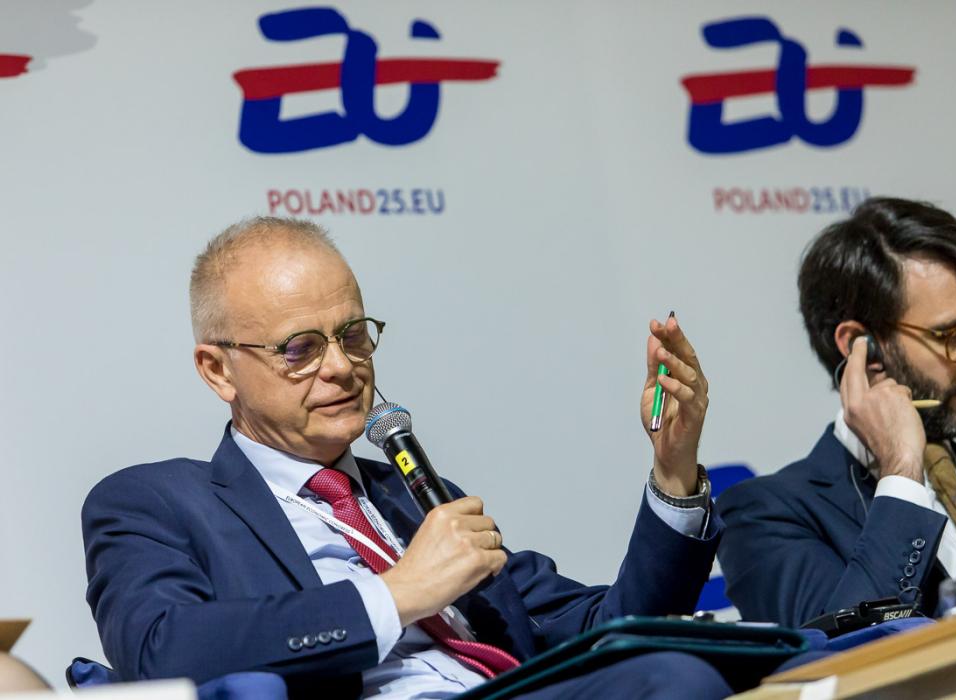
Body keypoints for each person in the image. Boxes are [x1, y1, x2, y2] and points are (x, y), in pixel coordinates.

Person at [82, 217, 730, 698]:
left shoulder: (414, 494)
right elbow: (160, 653)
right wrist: (397, 594)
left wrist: (673, 470)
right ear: (218, 370)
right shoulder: (155, 503)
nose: (342, 368)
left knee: (690, 671)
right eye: (299, 349)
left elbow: (612, 627)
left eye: (353, 335)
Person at [717, 197, 956, 627]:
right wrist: (902, 471)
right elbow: (844, 653)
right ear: (863, 347)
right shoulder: (766, 516)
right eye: (952, 336)